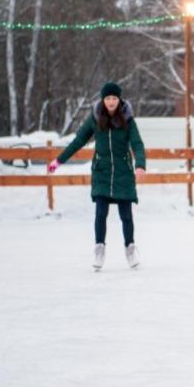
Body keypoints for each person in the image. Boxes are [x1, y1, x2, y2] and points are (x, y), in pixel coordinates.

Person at [48, 82, 146, 271]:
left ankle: (130, 248)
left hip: (123, 173)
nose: (111, 102)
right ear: (103, 99)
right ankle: (99, 248)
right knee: (101, 212)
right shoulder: (95, 118)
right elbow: (78, 141)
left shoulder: (128, 119)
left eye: (114, 98)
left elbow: (137, 143)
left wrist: (140, 165)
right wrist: (59, 160)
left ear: (119, 100)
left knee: (126, 214)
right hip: (101, 172)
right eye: (108, 98)